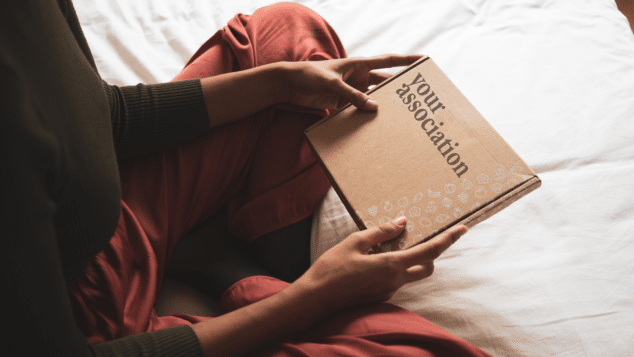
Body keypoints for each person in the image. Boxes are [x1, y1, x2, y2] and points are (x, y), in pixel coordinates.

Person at [0, 0, 490, 356]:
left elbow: (106, 116)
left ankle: (219, 252)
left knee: (289, 35)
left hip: (92, 227)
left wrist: (281, 81)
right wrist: (314, 296)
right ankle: (238, 276)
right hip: (89, 327)